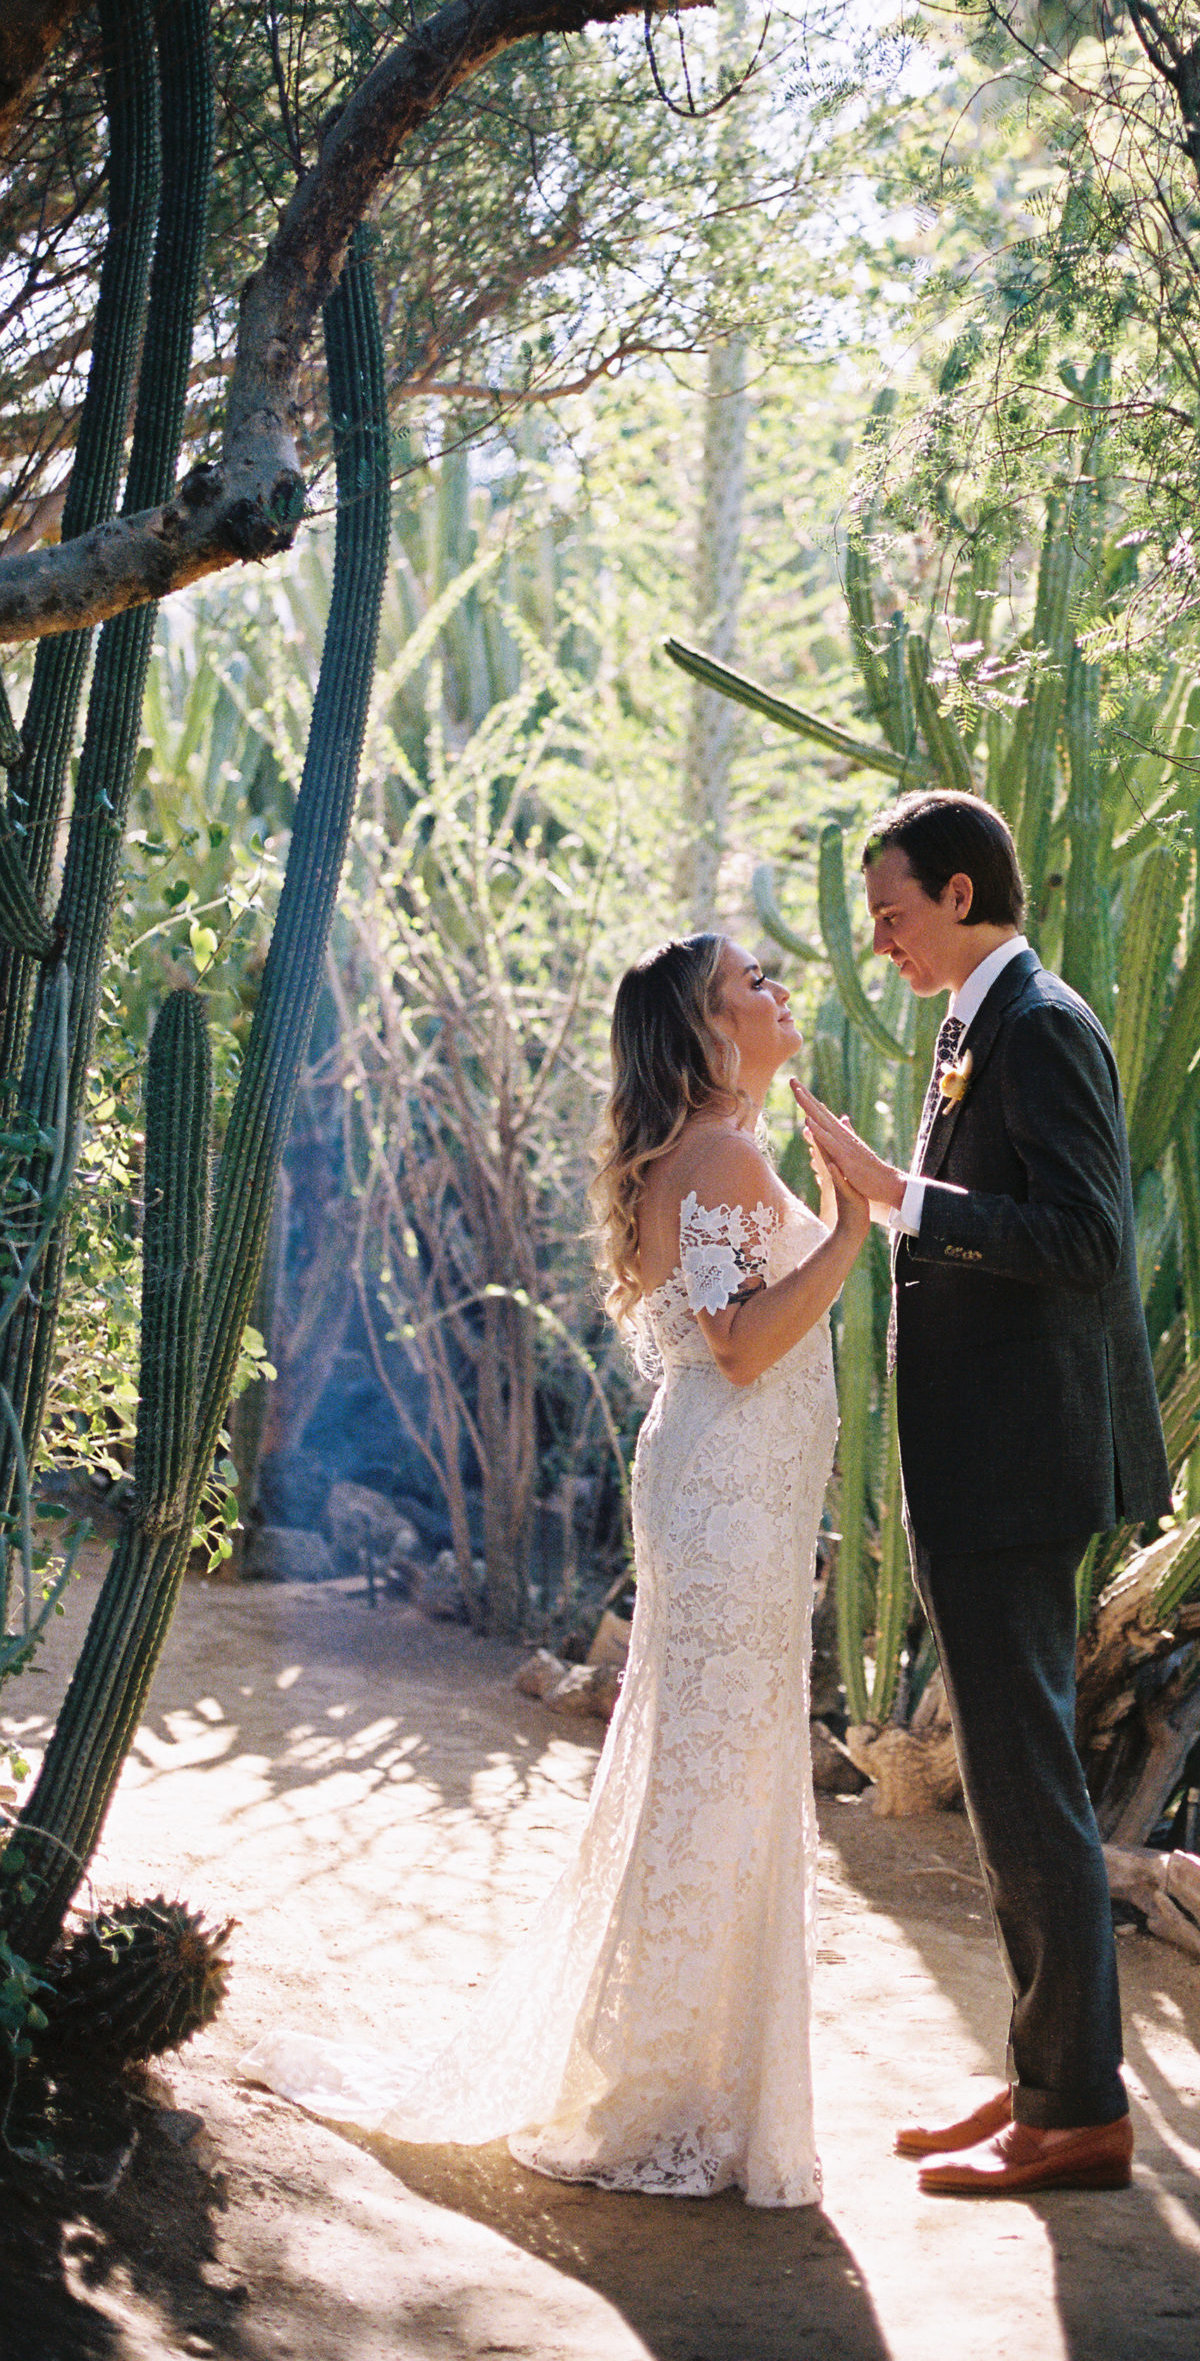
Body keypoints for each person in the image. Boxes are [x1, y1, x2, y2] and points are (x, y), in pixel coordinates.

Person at [240, 932, 868, 2207]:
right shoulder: (726, 1154)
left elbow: (737, 1322)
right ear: (704, 1023)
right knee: (716, 1774)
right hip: (727, 1492)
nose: (781, 988)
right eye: (754, 980)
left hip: (727, 1487)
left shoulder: (717, 1150)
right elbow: (740, 1344)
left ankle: (692, 2078)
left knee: (719, 1770)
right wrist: (852, 1216)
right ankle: (668, 2093)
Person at [792, 789, 1170, 2198]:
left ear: (960, 895)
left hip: (1022, 1469)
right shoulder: (977, 1024)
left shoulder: (1044, 1025)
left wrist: (905, 1198)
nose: (877, 940)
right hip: (985, 1466)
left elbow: (1085, 1238)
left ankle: (1075, 2114)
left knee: (1029, 1785)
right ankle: (1042, 2079)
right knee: (1014, 1786)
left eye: (891, 912)